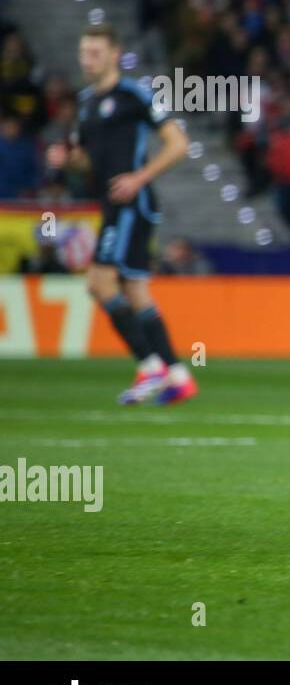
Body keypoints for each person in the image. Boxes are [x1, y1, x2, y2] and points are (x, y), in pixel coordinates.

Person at [48, 24, 196, 404]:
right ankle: (178, 377)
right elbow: (86, 163)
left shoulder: (134, 95)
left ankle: (150, 367)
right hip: (112, 203)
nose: (87, 60)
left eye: (95, 52)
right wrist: (69, 160)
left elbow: (178, 143)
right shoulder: (85, 103)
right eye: (84, 53)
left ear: (114, 55)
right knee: (134, 291)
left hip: (132, 202)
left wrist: (140, 177)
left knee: (99, 284)